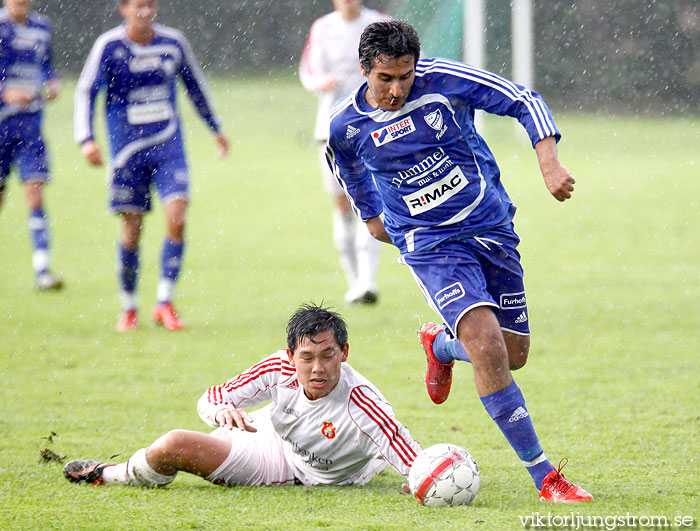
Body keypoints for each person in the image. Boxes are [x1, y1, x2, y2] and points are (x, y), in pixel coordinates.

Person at [326, 20, 592, 503]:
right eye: (385, 78)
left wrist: (549, 161)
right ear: (365, 70)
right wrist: (371, 217)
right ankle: (546, 477)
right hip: (430, 245)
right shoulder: (347, 124)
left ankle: (442, 348)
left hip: (490, 228)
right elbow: (344, 164)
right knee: (489, 347)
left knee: (512, 356)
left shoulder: (443, 81)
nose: (396, 88)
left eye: (405, 76)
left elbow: (522, 98)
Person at [63, 304, 422, 490]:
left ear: (344, 353)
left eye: (328, 356)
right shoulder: (278, 368)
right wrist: (221, 413)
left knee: (173, 444)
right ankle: (119, 474)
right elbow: (212, 397)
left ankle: (108, 475)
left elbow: (408, 450)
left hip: (290, 468)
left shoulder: (363, 404)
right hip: (267, 431)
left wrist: (422, 480)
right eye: (307, 358)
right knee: (167, 448)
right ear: (291, 355)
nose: (317, 368)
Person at [74, 0, 229, 332]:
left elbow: (195, 86)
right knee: (132, 230)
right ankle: (129, 307)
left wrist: (215, 127)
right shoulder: (109, 46)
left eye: (149, 5)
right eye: (137, 6)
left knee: (177, 218)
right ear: (123, 9)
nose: (144, 11)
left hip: (169, 148)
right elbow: (86, 92)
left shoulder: (172, 43)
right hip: (126, 153)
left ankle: (164, 302)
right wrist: (86, 138)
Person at [299, 0, 389, 305]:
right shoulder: (323, 27)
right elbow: (308, 70)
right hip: (332, 130)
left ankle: (368, 281)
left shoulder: (380, 23)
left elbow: (407, 66)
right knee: (342, 206)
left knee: (373, 201)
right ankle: (354, 282)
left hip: (375, 129)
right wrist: (321, 82)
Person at [0, 0, 62, 290]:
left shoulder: (42, 27)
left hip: (30, 127)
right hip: (1, 126)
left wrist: (52, 82)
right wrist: (4, 92)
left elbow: (46, 65)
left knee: (35, 193)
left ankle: (42, 271)